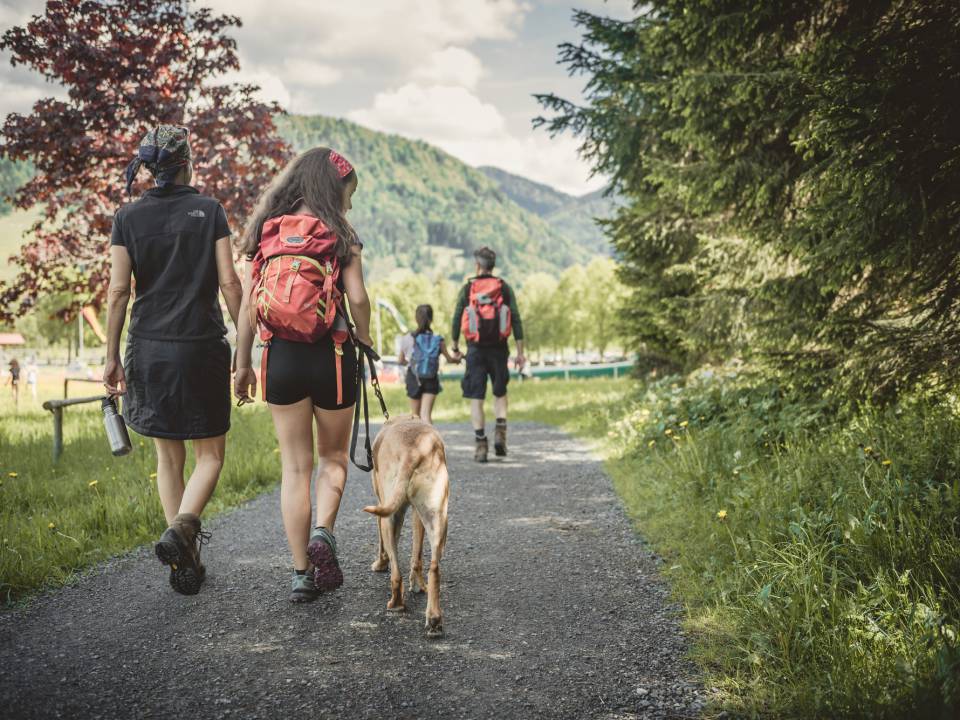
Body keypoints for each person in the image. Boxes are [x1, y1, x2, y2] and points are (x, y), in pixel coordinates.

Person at [103, 125, 242, 596]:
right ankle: (184, 536)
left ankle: (181, 556)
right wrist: (245, 345)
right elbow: (229, 284)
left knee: (169, 457)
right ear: (188, 163)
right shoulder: (210, 211)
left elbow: (119, 290)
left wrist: (110, 356)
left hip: (147, 347)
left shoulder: (127, 216)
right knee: (211, 455)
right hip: (200, 346)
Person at [233, 147, 373, 603]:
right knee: (332, 458)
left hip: (281, 361)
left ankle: (300, 574)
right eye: (347, 195)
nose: (349, 204)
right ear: (334, 190)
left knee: (295, 467)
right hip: (330, 356)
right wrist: (365, 339)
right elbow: (358, 298)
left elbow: (248, 310)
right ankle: (323, 532)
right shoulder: (340, 234)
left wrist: (242, 364)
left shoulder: (266, 231)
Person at [450, 246, 525, 462]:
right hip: (499, 348)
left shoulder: (468, 288)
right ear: (492, 266)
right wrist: (520, 353)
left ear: (477, 265)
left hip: (475, 350)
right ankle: (500, 433)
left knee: (477, 397)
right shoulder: (503, 287)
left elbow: (457, 318)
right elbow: (516, 319)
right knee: (499, 392)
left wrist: (455, 346)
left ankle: (481, 446)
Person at [398, 304, 460, 424]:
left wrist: (410, 362)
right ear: (431, 319)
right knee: (426, 415)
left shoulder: (408, 338)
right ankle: (430, 442)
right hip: (431, 378)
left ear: (416, 319)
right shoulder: (438, 340)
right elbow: (450, 359)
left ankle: (416, 442)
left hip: (414, 378)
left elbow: (400, 360)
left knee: (415, 416)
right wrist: (457, 359)